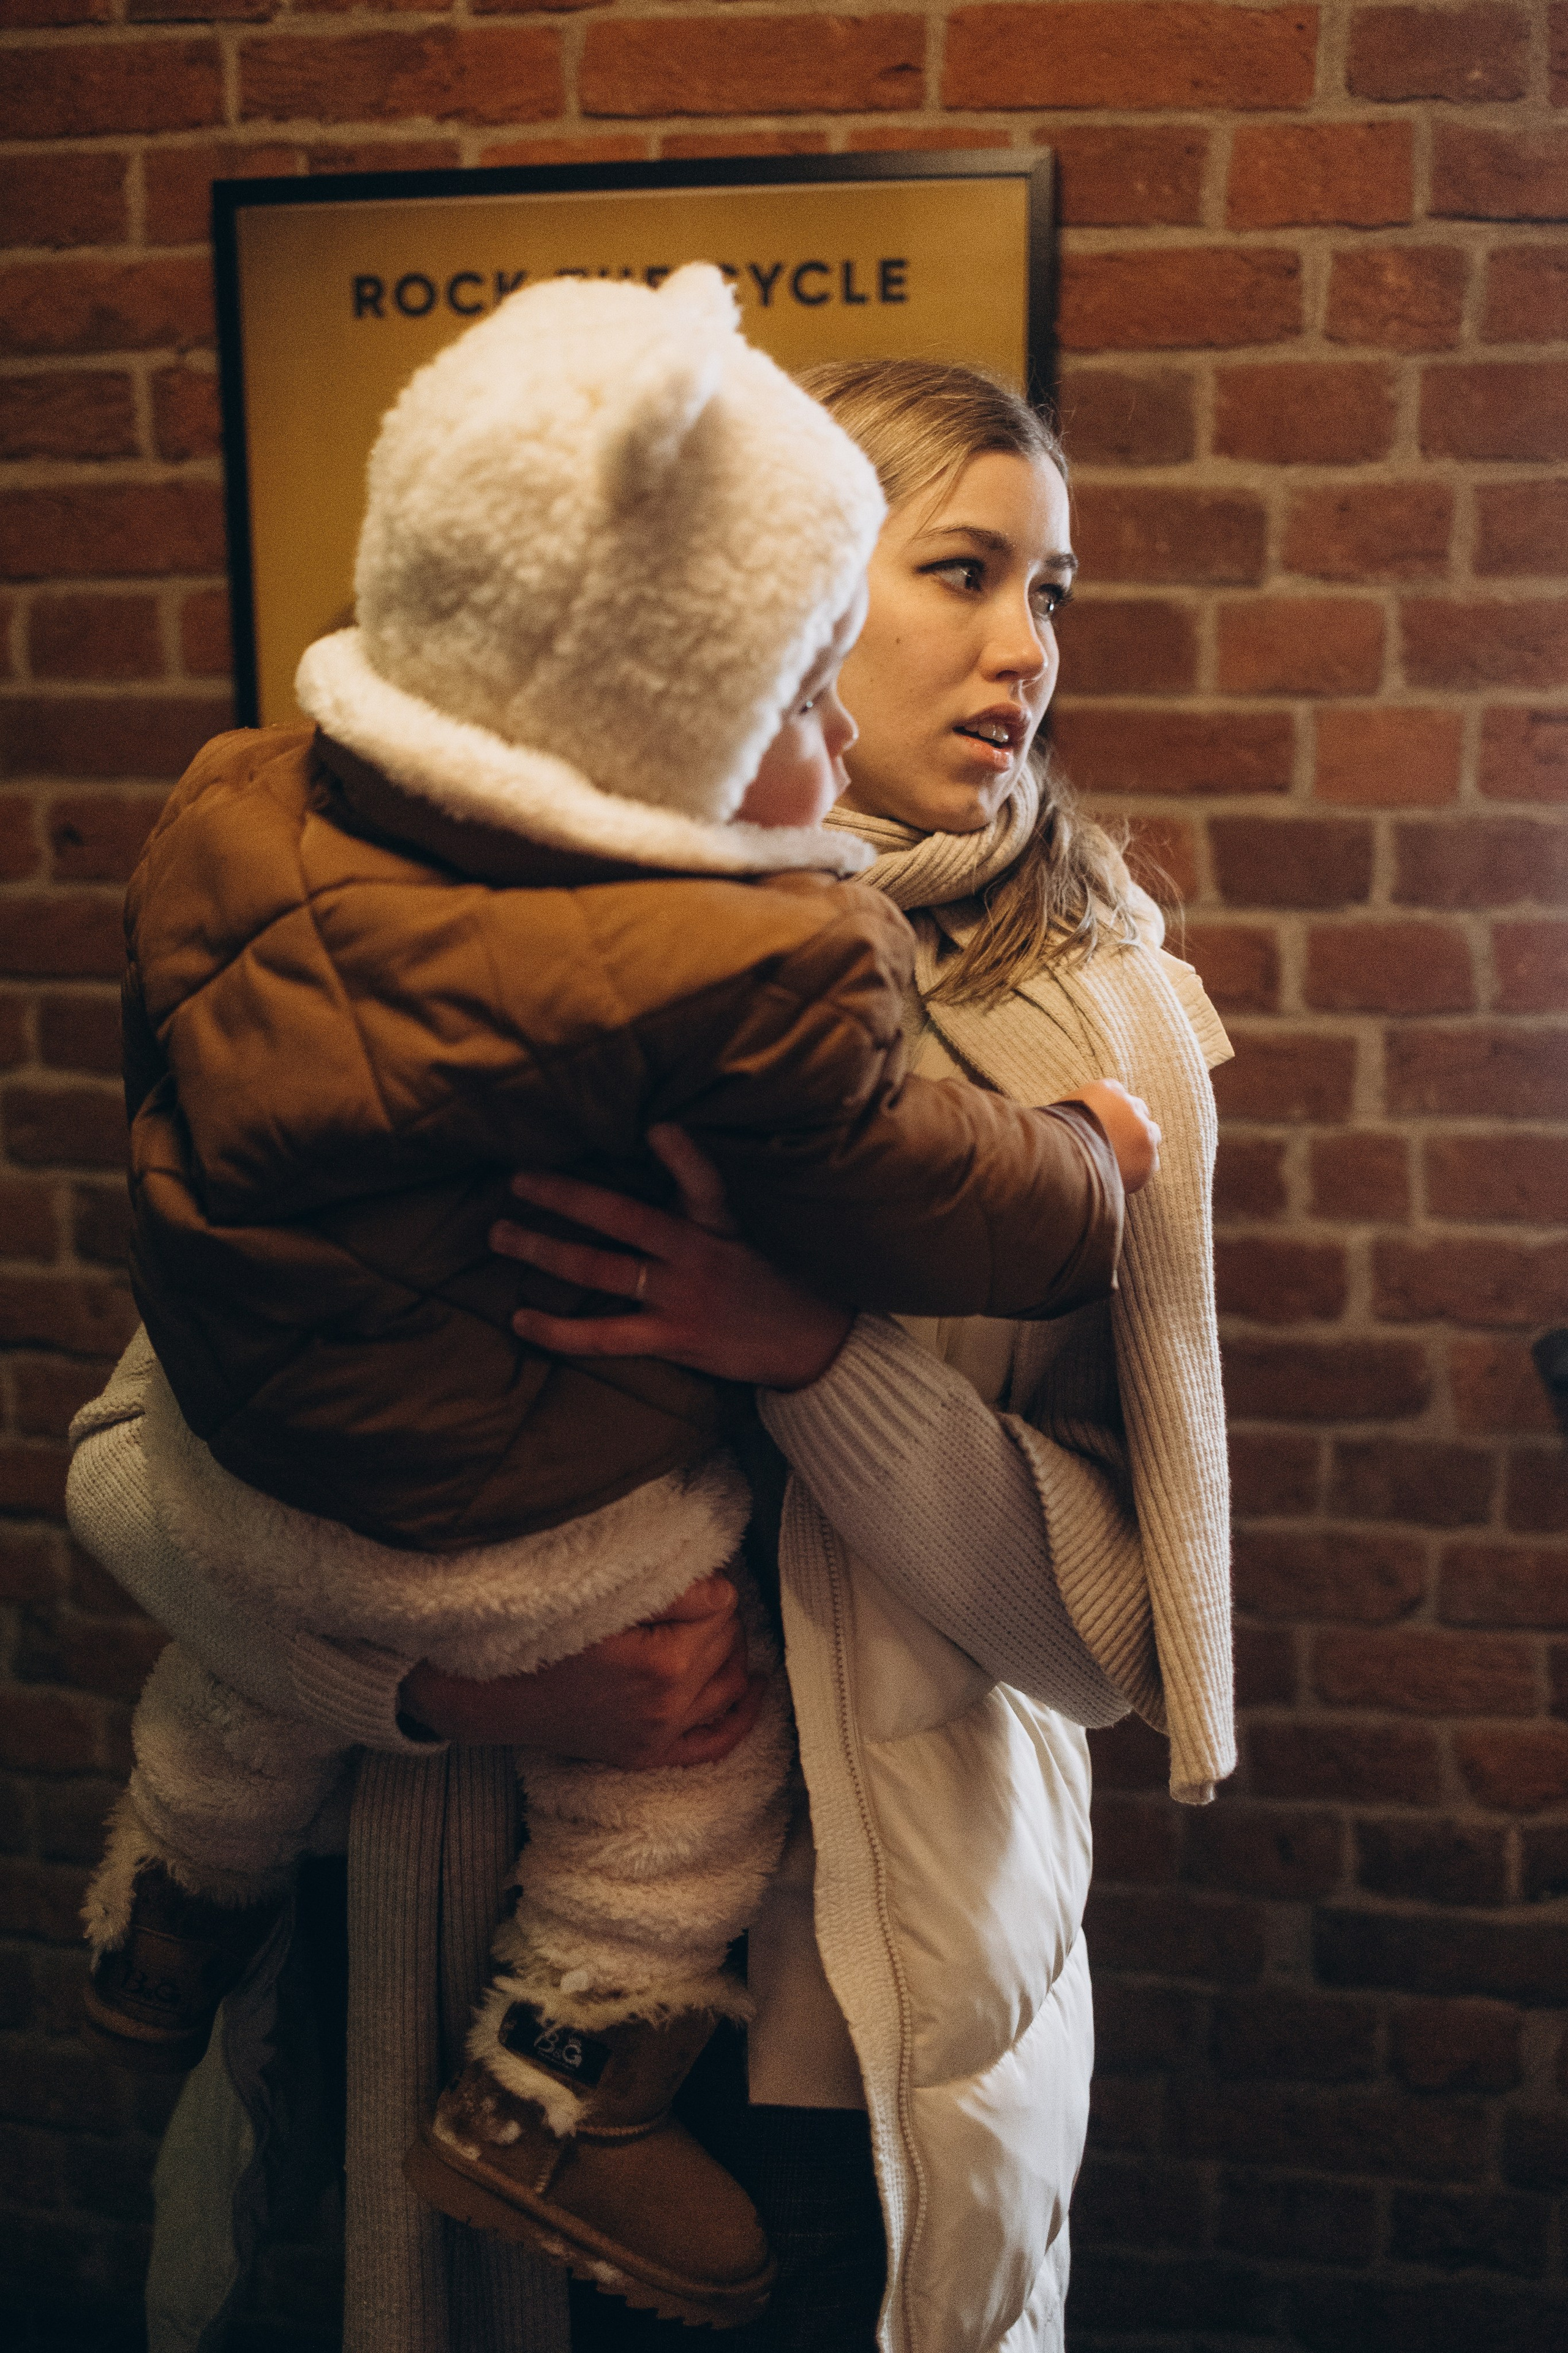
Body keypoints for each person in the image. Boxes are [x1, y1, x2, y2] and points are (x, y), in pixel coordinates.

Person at [67, 355, 1230, 2353]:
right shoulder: (467, 942)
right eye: (962, 571)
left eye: (1051, 592)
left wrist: (803, 1350)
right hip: (421, 1946)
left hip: (844, 2056)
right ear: (773, 595)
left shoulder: (1104, 1033)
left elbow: (1108, 1636)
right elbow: (133, 1466)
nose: (1025, 647)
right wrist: (442, 1682)